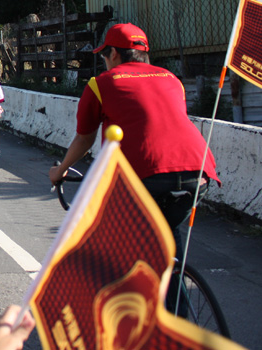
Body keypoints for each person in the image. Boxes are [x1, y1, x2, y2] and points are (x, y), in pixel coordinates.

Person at [48, 23, 220, 261]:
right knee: (166, 234)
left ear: (114, 53)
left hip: (146, 174)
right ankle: (174, 294)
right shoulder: (172, 80)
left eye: (105, 56)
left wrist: (61, 170)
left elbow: (85, 138)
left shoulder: (101, 84)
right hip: (198, 172)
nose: (105, 62)